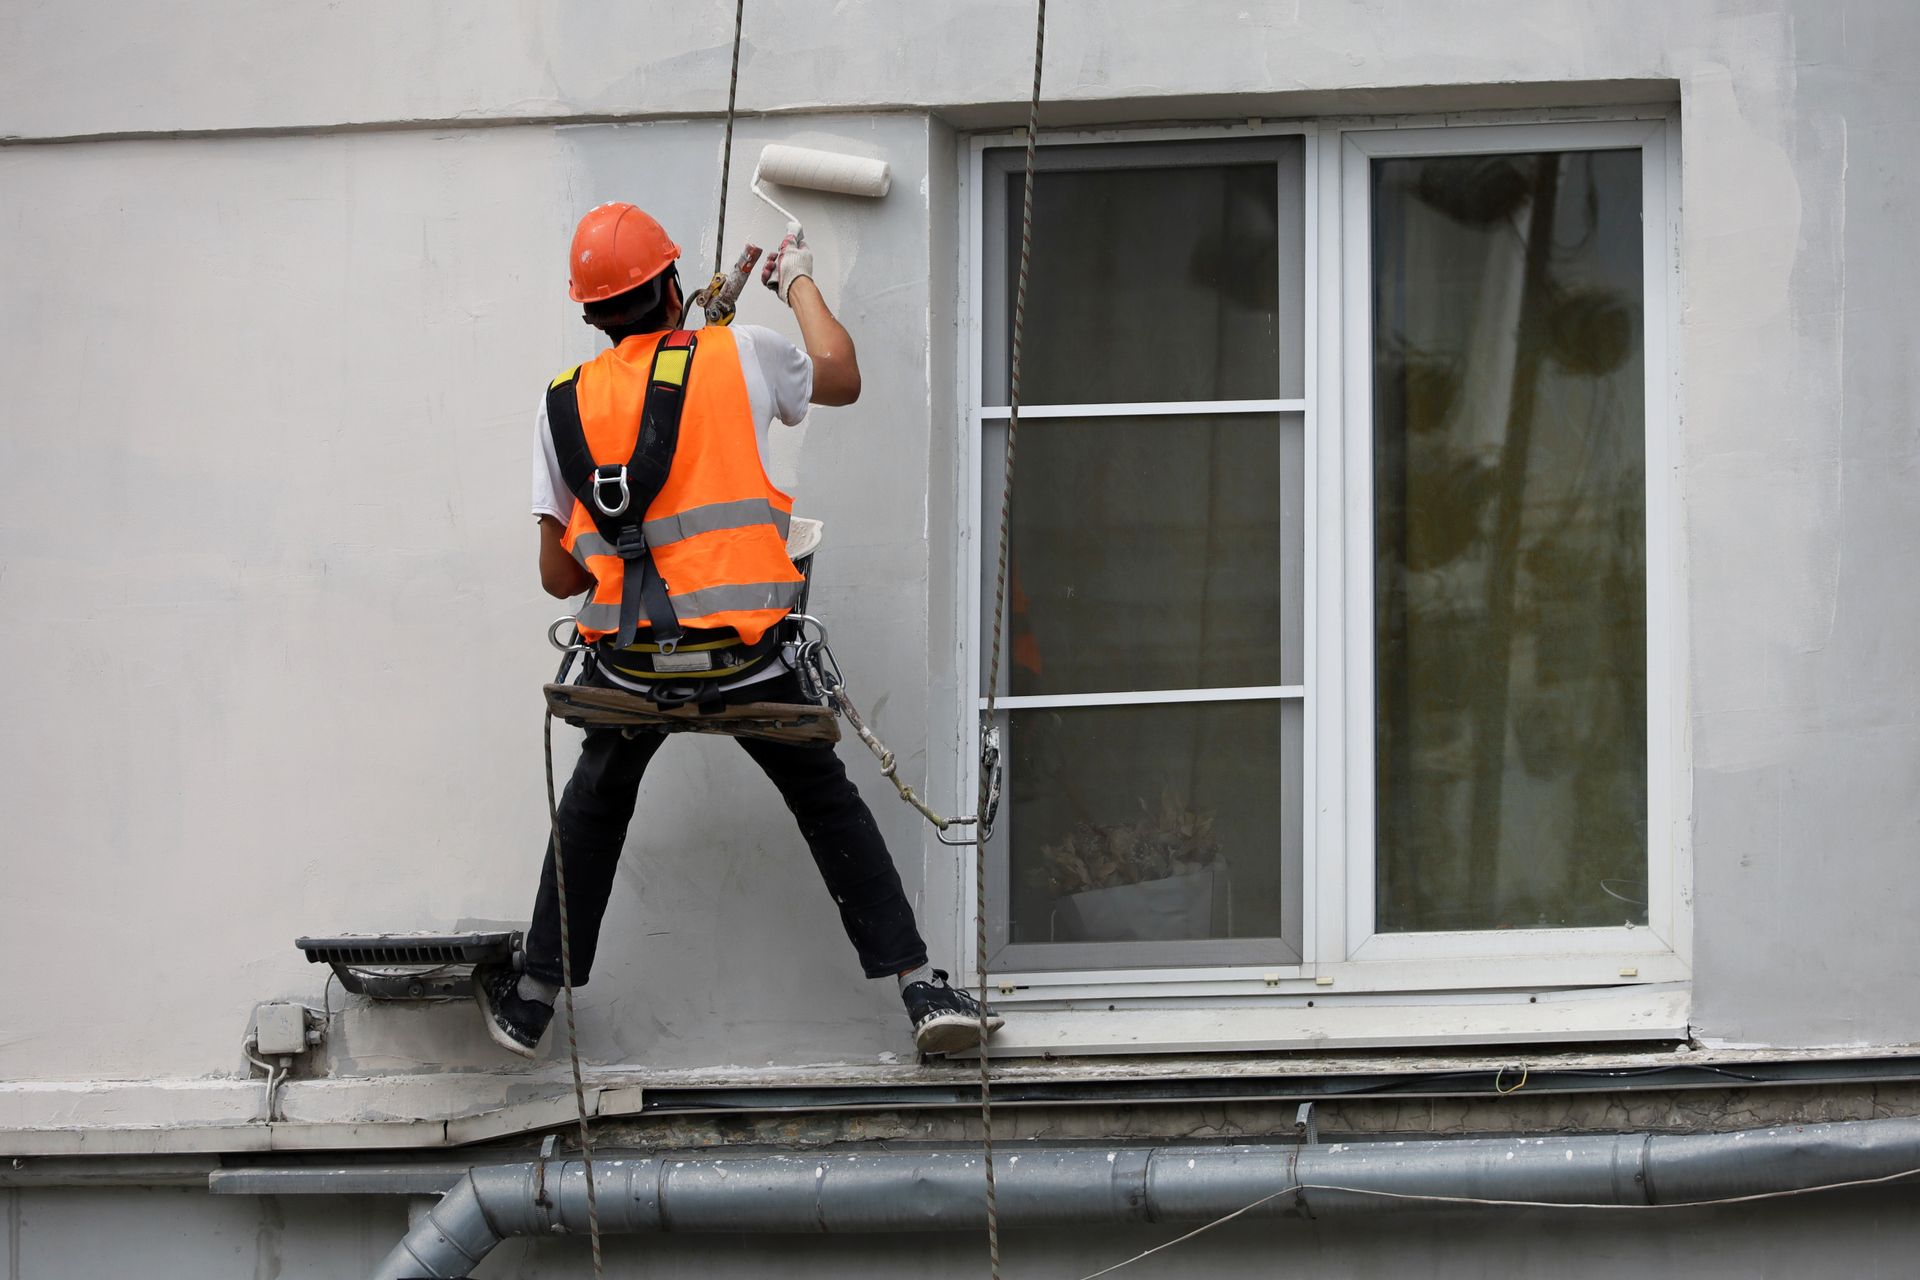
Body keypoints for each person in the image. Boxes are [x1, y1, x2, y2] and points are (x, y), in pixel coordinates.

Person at [473, 202, 1001, 1059]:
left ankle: (531, 997)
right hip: (744, 658)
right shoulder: (739, 353)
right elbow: (841, 373)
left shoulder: (561, 403)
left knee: (595, 801)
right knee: (827, 802)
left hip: (630, 666)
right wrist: (792, 277)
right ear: (672, 285)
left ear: (590, 312)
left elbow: (558, 578)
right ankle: (920, 991)